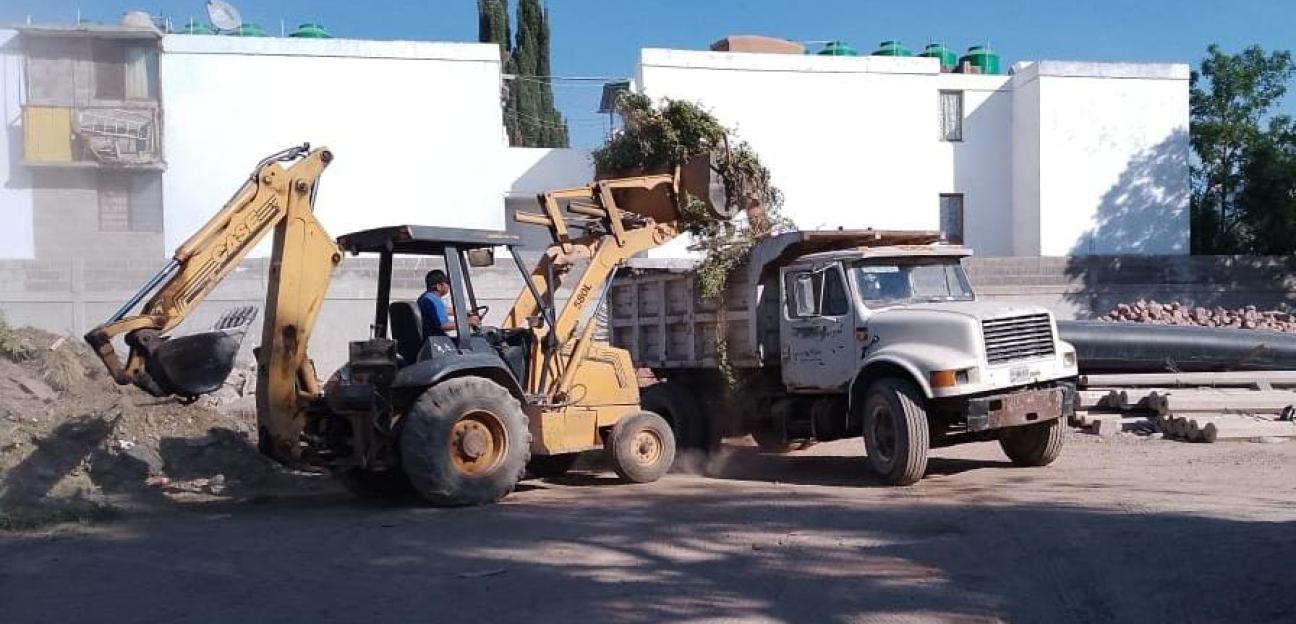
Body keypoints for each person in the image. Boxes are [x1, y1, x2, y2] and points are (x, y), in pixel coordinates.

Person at [417, 270, 479, 337]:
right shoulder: (433, 300)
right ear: (439, 286)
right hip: (436, 338)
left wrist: (465, 312)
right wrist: (468, 321)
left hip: (430, 337)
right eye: (447, 283)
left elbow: (442, 310)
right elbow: (443, 325)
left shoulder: (426, 297)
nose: (449, 286)